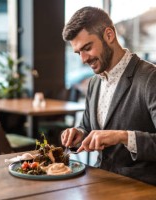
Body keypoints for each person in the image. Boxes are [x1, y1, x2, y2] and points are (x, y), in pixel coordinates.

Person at [61, 6, 156, 185]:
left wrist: (123, 136)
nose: (83, 59)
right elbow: (87, 127)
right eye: (78, 52)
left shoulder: (150, 77)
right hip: (101, 181)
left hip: (141, 186)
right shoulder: (95, 82)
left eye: (87, 48)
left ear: (109, 35)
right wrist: (79, 133)